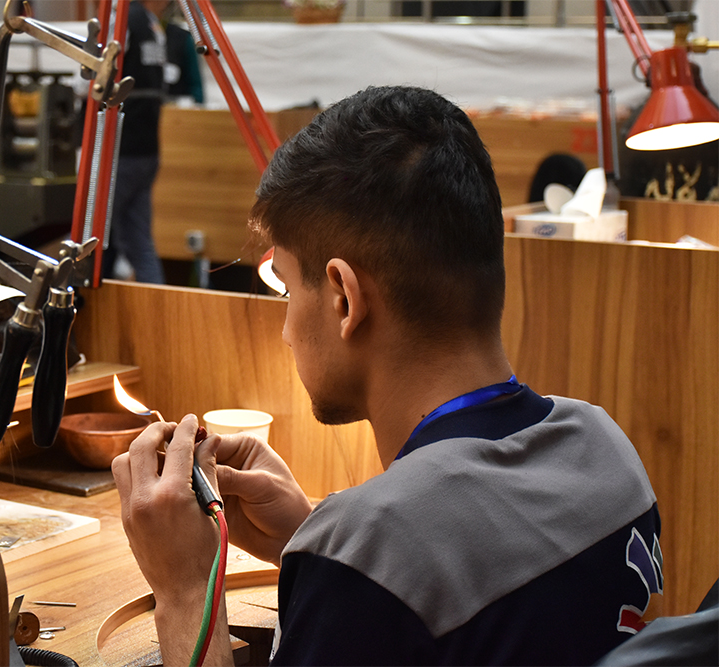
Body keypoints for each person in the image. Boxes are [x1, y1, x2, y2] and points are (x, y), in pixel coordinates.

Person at [112, 86, 663, 666]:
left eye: (289, 290)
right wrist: (312, 535)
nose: (287, 331)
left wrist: (185, 590)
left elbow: (404, 577)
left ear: (345, 299)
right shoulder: (607, 450)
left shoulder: (371, 563)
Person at [101, 0, 170, 284]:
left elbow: (95, 78)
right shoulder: (153, 26)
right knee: (140, 243)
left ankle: (81, 304)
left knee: (91, 235)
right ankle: (159, 307)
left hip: (119, 148)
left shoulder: (121, 21)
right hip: (146, 149)